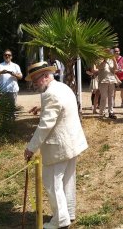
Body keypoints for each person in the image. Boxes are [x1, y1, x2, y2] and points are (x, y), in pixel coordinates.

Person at [23, 61, 88, 229]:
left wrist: (31, 148)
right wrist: (42, 107)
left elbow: (45, 126)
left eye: (35, 79)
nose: (34, 83)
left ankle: (60, 220)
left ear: (45, 76)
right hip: (71, 142)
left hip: (58, 146)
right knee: (67, 179)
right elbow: (60, 107)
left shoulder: (50, 94)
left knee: (52, 182)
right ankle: (68, 212)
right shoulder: (62, 87)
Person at [98, 51, 118, 119]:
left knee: (111, 97)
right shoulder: (99, 59)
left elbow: (115, 69)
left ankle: (111, 112)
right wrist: (104, 60)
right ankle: (102, 113)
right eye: (106, 52)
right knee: (104, 97)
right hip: (103, 80)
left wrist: (114, 60)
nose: (108, 54)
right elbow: (99, 67)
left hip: (111, 80)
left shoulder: (111, 60)